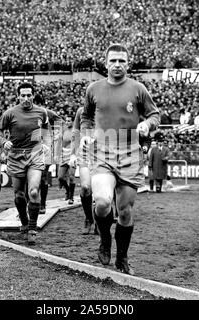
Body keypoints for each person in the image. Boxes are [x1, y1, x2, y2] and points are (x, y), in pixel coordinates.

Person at [80, 43, 160, 274]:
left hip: (130, 154)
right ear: (105, 64)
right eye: (113, 61)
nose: (117, 65)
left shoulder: (138, 89)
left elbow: (154, 114)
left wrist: (147, 123)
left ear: (128, 63)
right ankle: (105, 238)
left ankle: (122, 258)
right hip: (102, 153)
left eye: (121, 61)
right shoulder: (93, 89)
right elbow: (86, 116)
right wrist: (86, 135)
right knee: (103, 202)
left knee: (124, 211)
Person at [0, 82, 48, 245]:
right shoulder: (10, 113)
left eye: (28, 95)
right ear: (18, 96)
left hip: (35, 153)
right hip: (16, 155)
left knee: (32, 192)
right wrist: (3, 142)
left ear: (33, 95)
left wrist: (45, 142)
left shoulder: (41, 112)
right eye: (22, 95)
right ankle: (24, 222)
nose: (26, 98)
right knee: (19, 195)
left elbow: (46, 128)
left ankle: (32, 228)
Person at [69, 106, 96, 235]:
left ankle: (100, 220)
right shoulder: (81, 111)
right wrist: (73, 154)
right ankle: (88, 218)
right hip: (85, 152)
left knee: (100, 190)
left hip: (104, 153)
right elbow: (75, 133)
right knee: (85, 187)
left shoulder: (107, 108)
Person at [40, 106, 64, 214]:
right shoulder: (25, 112)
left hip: (46, 148)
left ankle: (42, 204)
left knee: (43, 176)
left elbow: (60, 121)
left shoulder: (47, 112)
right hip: (31, 147)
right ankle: (31, 203)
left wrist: (56, 134)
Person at [58, 116, 76, 205]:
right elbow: (60, 142)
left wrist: (74, 155)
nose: (67, 122)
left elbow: (76, 144)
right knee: (60, 177)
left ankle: (71, 197)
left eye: (69, 121)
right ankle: (68, 190)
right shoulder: (63, 130)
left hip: (72, 155)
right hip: (63, 154)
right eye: (66, 121)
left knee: (72, 177)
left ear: (73, 122)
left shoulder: (75, 131)